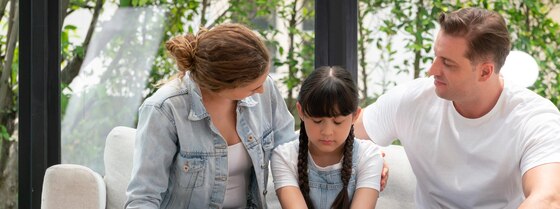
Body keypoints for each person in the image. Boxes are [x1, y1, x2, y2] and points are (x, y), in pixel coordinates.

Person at [354, 7, 560, 209]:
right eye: (435, 57)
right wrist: (364, 155)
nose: (432, 70)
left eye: (447, 63)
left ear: (485, 72)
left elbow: (548, 199)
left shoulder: (535, 117)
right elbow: (342, 137)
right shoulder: (410, 100)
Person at [125, 23, 298, 209]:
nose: (261, 89)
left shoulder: (265, 90)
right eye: (253, 86)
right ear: (221, 84)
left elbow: (289, 157)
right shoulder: (164, 109)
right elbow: (143, 198)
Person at [271, 66, 383, 209]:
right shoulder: (284, 156)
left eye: (338, 122)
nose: (327, 132)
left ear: (355, 115)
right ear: (301, 111)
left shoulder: (369, 156)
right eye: (317, 121)